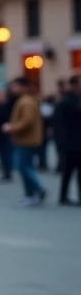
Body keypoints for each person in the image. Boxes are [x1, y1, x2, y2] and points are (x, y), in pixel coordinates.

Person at [3, 77, 46, 207]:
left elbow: (27, 121)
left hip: (25, 139)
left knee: (23, 166)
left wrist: (12, 127)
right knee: (25, 166)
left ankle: (37, 189)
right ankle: (30, 194)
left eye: (16, 86)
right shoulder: (26, 100)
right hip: (26, 139)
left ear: (23, 87)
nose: (13, 89)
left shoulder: (26, 102)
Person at [57, 76, 81, 204]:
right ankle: (63, 196)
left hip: (75, 142)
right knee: (68, 172)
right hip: (71, 143)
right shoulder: (66, 102)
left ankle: (65, 196)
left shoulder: (73, 100)